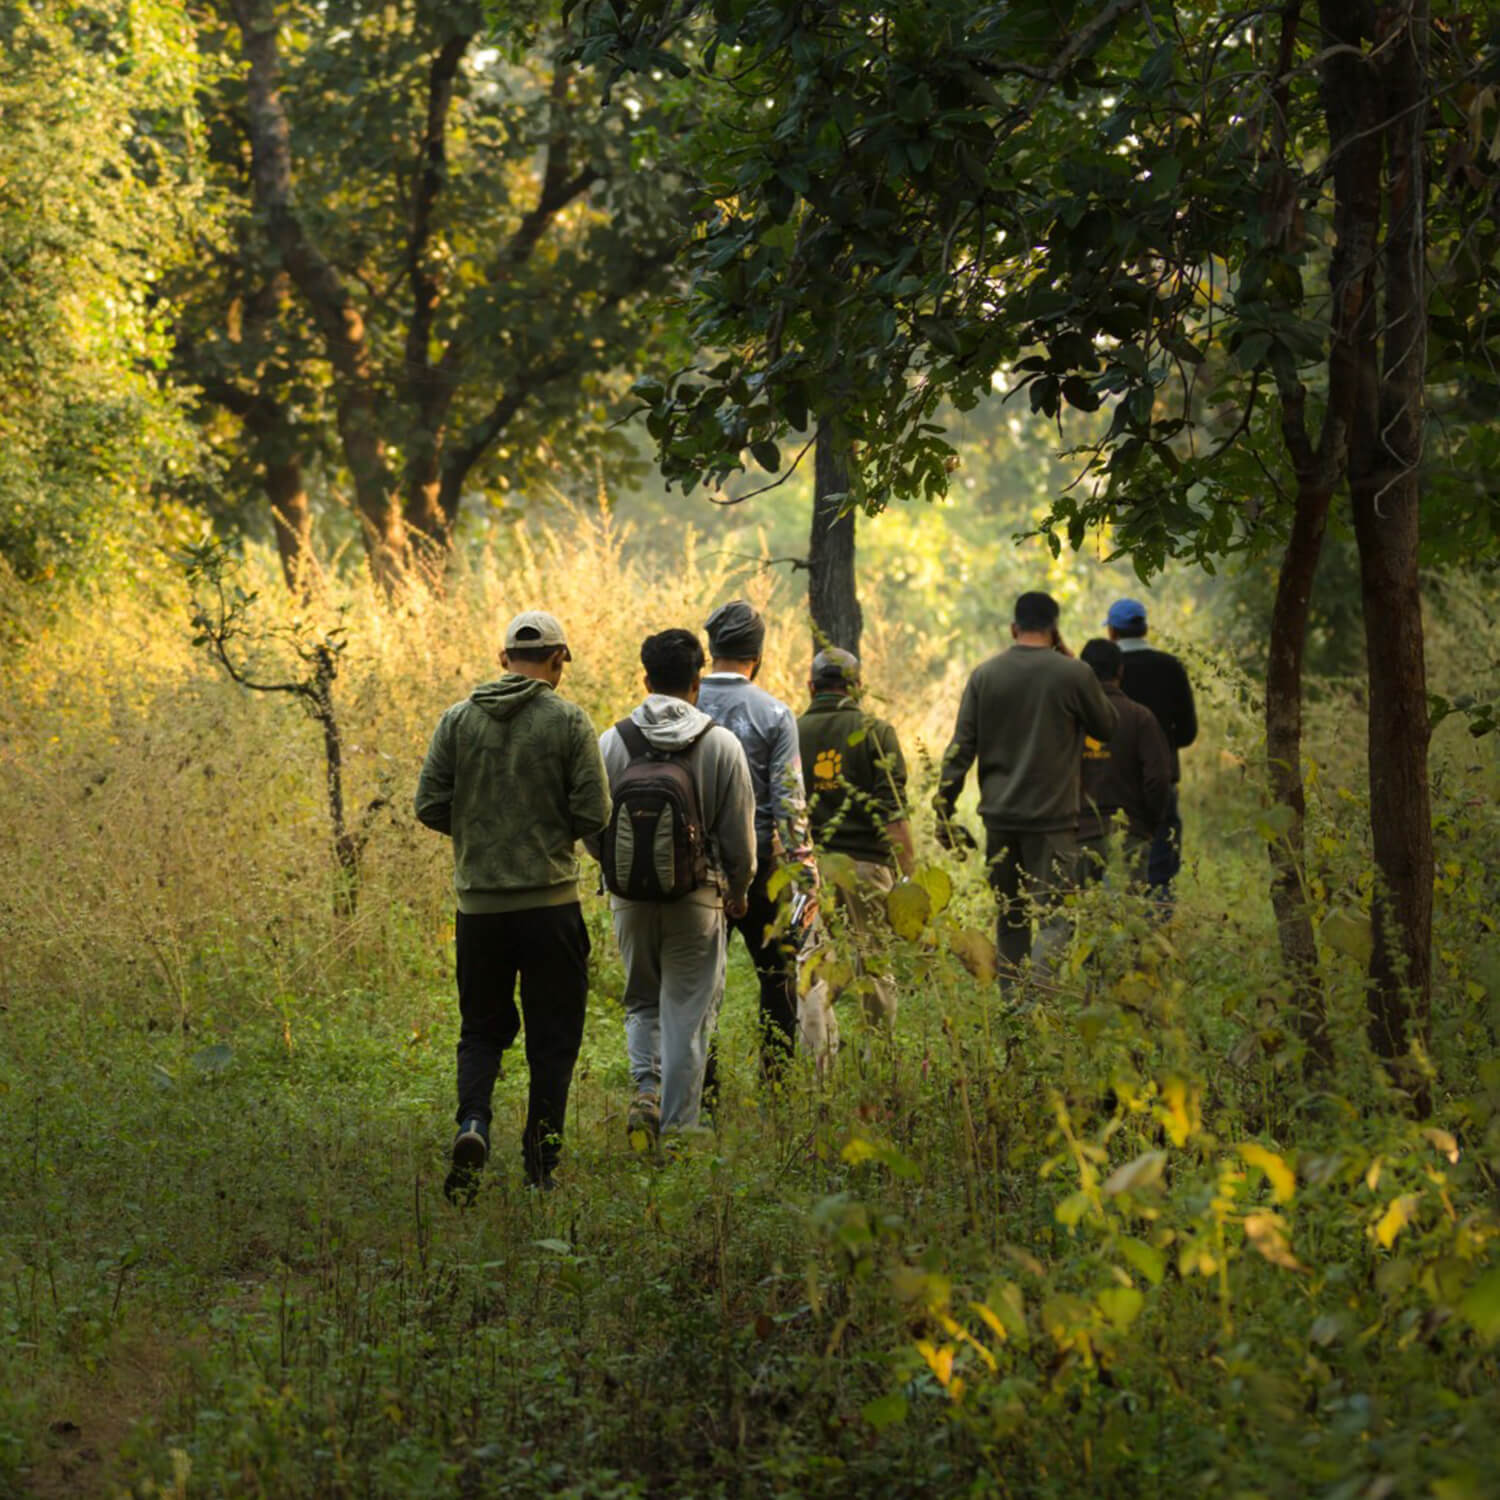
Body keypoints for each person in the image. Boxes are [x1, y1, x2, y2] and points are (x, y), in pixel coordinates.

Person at [415, 610, 610, 1201]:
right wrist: (546, 832)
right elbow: (595, 813)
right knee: (552, 1037)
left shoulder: (457, 720)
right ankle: (540, 1167)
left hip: (479, 911)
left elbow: (429, 804)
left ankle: (473, 1124)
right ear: (559, 661)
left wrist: (480, 833)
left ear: (503, 659)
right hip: (550, 906)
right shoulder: (570, 721)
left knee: (481, 1030)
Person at [594, 629, 757, 1145]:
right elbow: (740, 836)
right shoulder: (721, 744)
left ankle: (646, 1088)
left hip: (630, 901)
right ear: (697, 682)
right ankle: (680, 1131)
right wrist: (739, 888)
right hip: (698, 898)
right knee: (687, 1014)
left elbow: (592, 824)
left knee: (642, 1001)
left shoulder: (612, 741)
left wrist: (615, 871)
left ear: (646, 679)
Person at [935, 591, 1116, 987]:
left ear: (1014, 628)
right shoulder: (1073, 674)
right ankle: (1036, 998)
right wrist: (1072, 661)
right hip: (1053, 822)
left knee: (1011, 918)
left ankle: (1013, 1012)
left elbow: (961, 748)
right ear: (1054, 630)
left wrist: (943, 810)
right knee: (1056, 918)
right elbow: (1108, 727)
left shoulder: (985, 675)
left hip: (1000, 820)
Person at [696, 600, 814, 1081]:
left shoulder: (686, 702)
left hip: (694, 865)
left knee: (698, 983)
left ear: (710, 650)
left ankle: (703, 1089)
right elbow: (790, 801)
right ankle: (778, 1081)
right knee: (777, 974)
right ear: (757, 654)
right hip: (762, 864)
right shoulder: (775, 714)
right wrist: (806, 877)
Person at [796, 647, 914, 1065]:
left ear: (811, 686)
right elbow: (893, 815)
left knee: (812, 964)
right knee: (874, 963)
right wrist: (909, 877)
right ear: (858, 686)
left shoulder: (794, 732)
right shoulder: (876, 732)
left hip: (812, 871)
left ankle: (816, 1071)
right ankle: (878, 1063)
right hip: (869, 868)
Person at [1105, 598, 1198, 899]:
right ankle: (1158, 934)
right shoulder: (1170, 667)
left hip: (1112, 780)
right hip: (1161, 780)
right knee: (1160, 865)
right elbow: (1187, 732)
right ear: (1145, 628)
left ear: (1112, 633)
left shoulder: (1102, 670)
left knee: (1110, 864)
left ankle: (1115, 929)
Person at [1077, 639, 1173, 886]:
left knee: (1078, 916)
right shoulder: (1140, 717)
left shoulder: (1069, 716)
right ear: (1120, 670)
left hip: (1077, 834)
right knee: (1129, 917)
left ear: (1082, 670)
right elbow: (1159, 778)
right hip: (1130, 832)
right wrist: (1149, 823)